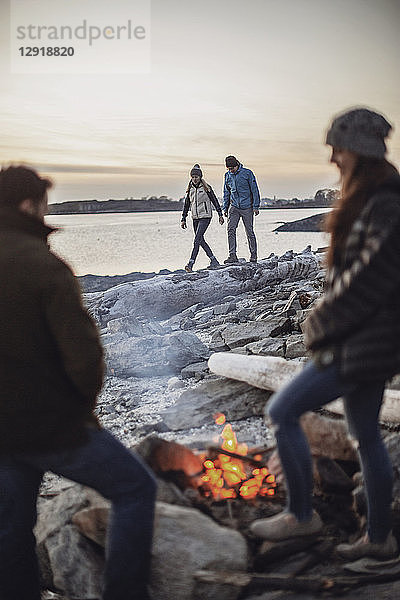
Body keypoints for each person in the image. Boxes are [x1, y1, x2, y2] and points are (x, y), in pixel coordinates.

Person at [0, 165, 157, 600]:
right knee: (135, 489)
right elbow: (85, 358)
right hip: (50, 425)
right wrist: (79, 414)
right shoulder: (45, 266)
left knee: (11, 531)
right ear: (30, 205)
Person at [250, 108, 400, 561]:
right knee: (365, 436)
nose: (332, 156)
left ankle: (301, 517)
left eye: (337, 147)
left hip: (359, 344)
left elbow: (370, 277)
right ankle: (378, 540)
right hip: (368, 343)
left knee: (282, 409)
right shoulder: (373, 197)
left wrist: (319, 323)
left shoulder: (386, 201)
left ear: (358, 149)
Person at [181, 163, 224, 272]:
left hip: (205, 216)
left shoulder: (206, 187)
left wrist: (220, 214)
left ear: (200, 177)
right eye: (193, 177)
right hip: (195, 217)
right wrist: (183, 218)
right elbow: (186, 204)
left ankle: (190, 264)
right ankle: (213, 260)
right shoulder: (190, 189)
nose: (194, 179)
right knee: (200, 240)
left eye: (196, 177)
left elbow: (214, 200)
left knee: (196, 240)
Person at [222, 155, 261, 263]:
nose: (231, 170)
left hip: (247, 207)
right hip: (233, 207)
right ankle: (232, 255)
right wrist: (225, 207)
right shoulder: (227, 175)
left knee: (249, 232)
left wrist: (256, 206)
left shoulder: (247, 173)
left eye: (232, 168)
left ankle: (253, 255)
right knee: (230, 229)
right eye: (229, 169)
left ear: (237, 165)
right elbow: (226, 192)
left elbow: (254, 190)